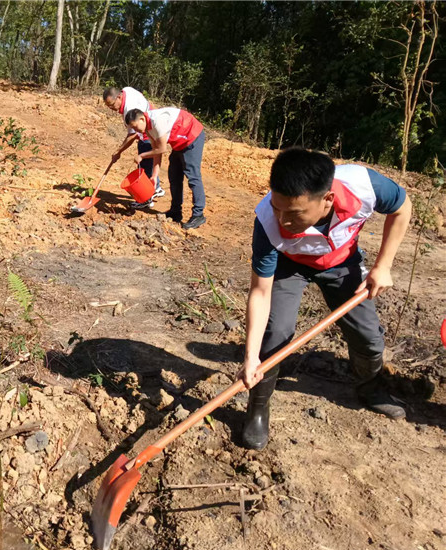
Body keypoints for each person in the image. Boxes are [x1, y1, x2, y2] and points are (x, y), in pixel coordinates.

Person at [237, 148, 411, 450]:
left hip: (341, 263)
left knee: (368, 337)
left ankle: (370, 388)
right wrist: (251, 355)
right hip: (289, 266)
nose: (282, 219)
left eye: (293, 213)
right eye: (278, 208)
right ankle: (258, 409)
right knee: (275, 334)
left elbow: (402, 207)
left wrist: (383, 266)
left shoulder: (364, 185)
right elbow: (260, 291)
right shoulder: (267, 221)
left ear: (327, 200)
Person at [125, 106, 207, 229]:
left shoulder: (157, 121)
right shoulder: (147, 129)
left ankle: (198, 214)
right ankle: (175, 211)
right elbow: (156, 152)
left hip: (191, 137)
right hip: (179, 143)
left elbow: (162, 149)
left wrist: (142, 155)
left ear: (142, 119)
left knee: (193, 176)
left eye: (136, 127)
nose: (136, 130)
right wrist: (154, 175)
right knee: (174, 175)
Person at [103, 86, 165, 209]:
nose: (111, 109)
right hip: (148, 126)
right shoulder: (126, 90)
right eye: (108, 106)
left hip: (148, 131)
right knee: (146, 162)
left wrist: (118, 151)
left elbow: (132, 135)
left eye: (112, 105)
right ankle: (156, 188)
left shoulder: (129, 109)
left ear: (119, 97)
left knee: (145, 163)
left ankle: (146, 199)